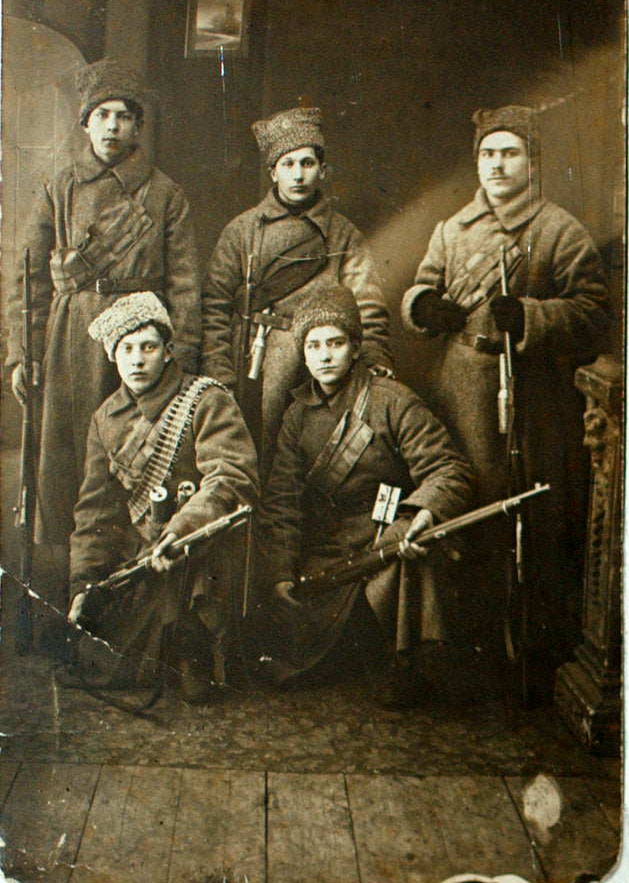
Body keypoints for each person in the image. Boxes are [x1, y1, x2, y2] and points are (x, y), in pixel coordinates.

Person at [401, 105, 611, 691]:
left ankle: (529, 653)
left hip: (532, 399)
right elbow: (422, 283)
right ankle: (466, 651)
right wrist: (423, 307)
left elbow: (595, 314)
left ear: (532, 162)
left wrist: (533, 316)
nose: (497, 165)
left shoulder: (558, 231)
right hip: (462, 392)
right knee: (465, 513)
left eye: (510, 153)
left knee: (528, 517)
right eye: (488, 154)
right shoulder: (453, 229)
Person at [6, 58, 202, 617]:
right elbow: (27, 275)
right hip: (71, 340)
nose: (113, 127)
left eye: (124, 116)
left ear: (139, 127)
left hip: (141, 340)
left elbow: (185, 286)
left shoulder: (165, 195)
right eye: (102, 116)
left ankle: (129, 604)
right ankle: (64, 597)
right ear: (85, 124)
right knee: (66, 471)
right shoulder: (59, 185)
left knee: (134, 464)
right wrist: (23, 351)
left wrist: (180, 360)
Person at [256, 286, 475, 708]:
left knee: (413, 556)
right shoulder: (296, 416)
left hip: (383, 543)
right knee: (285, 657)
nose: (324, 356)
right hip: (329, 553)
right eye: (313, 345)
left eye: (335, 343)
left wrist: (417, 515)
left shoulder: (392, 402)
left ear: (356, 348)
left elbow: (451, 470)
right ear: (302, 354)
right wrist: (280, 571)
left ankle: (408, 665)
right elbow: (281, 501)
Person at [67, 292, 259, 701]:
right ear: (113, 357)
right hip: (144, 555)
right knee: (99, 664)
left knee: (196, 687)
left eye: (149, 347)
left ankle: (195, 644)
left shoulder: (205, 398)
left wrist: (182, 527)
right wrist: (83, 584)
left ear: (168, 352)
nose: (137, 360)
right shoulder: (105, 418)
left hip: (200, 547)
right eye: (127, 349)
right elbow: (94, 513)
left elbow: (231, 478)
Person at [201, 107, 393, 479]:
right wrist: (219, 372)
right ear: (273, 172)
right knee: (252, 463)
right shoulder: (242, 231)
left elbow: (368, 304)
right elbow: (214, 306)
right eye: (288, 164)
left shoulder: (343, 234)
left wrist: (372, 354)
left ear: (322, 170)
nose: (299, 174)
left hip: (320, 365)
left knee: (310, 465)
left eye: (307, 163)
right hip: (251, 364)